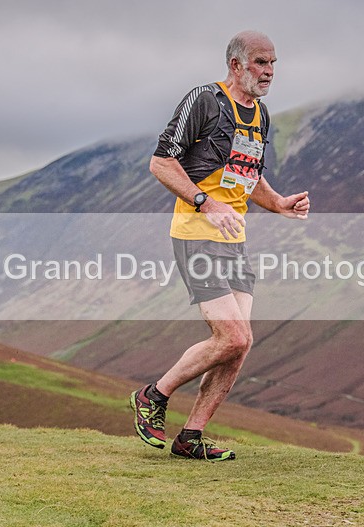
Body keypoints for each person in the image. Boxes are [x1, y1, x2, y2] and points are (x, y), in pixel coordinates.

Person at [130, 30, 310, 461]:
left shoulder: (261, 114)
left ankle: (191, 436)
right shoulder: (205, 100)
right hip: (196, 234)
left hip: (235, 241)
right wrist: (204, 202)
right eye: (260, 63)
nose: (268, 72)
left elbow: (248, 176)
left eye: (273, 64)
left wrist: (279, 203)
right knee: (231, 333)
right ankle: (152, 395)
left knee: (240, 342)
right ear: (235, 64)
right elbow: (161, 162)